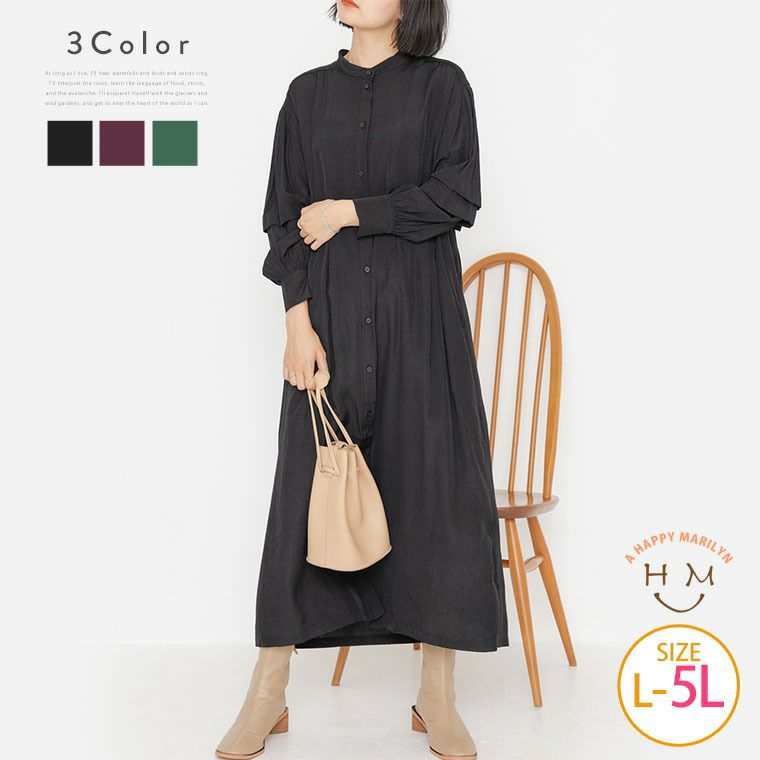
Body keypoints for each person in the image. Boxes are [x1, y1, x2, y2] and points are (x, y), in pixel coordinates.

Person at [215, 2, 508, 758]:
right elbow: (283, 219)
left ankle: (436, 695)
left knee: (436, 497)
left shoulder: (444, 87)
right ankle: (269, 691)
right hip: (331, 323)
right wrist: (297, 324)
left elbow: (457, 195)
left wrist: (352, 210)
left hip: (422, 323)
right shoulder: (307, 94)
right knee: (303, 497)